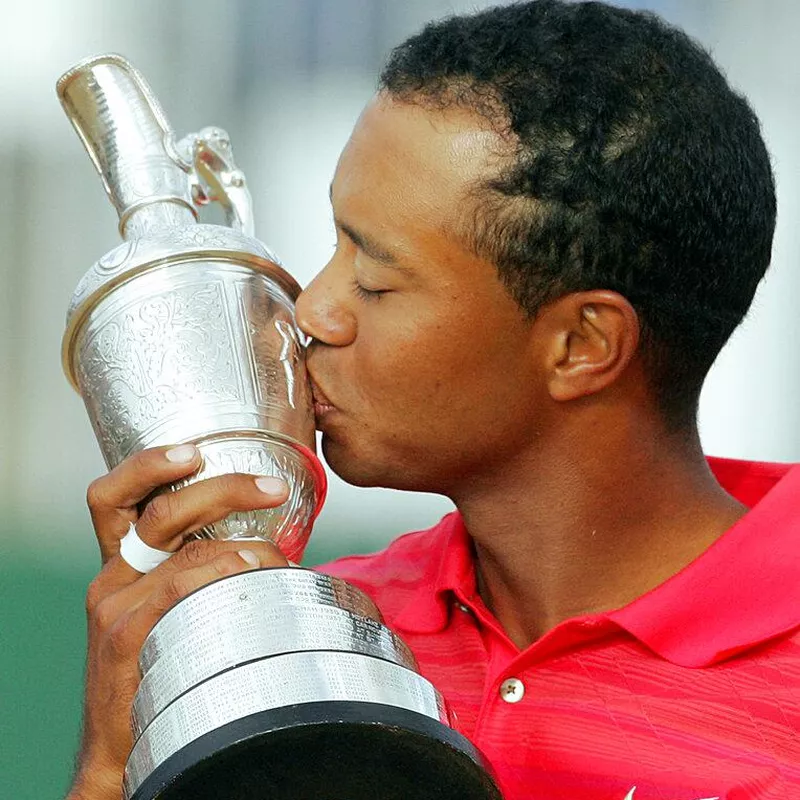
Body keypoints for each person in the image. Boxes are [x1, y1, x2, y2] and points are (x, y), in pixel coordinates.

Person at [66, 1, 799, 799]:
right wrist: (120, 756)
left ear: (582, 344)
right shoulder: (322, 647)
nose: (313, 310)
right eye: (335, 245)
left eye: (375, 280)